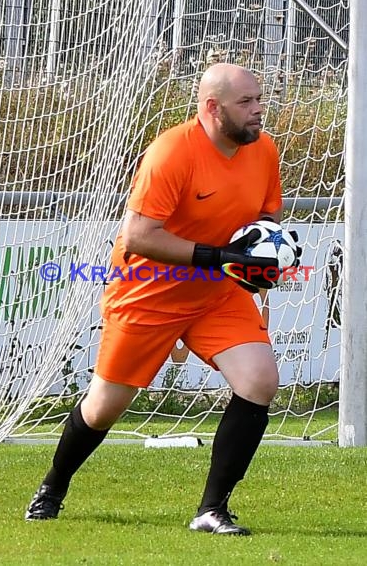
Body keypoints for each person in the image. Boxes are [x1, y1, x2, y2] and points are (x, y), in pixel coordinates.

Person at [25, 63, 299, 535]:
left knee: (259, 381)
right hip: (148, 292)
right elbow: (138, 235)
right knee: (104, 407)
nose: (259, 111)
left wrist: (264, 261)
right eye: (247, 103)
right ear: (212, 108)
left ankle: (211, 510)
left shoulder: (264, 149)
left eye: (260, 100)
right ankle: (52, 487)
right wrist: (220, 256)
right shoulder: (172, 152)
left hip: (215, 293)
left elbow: (265, 221)